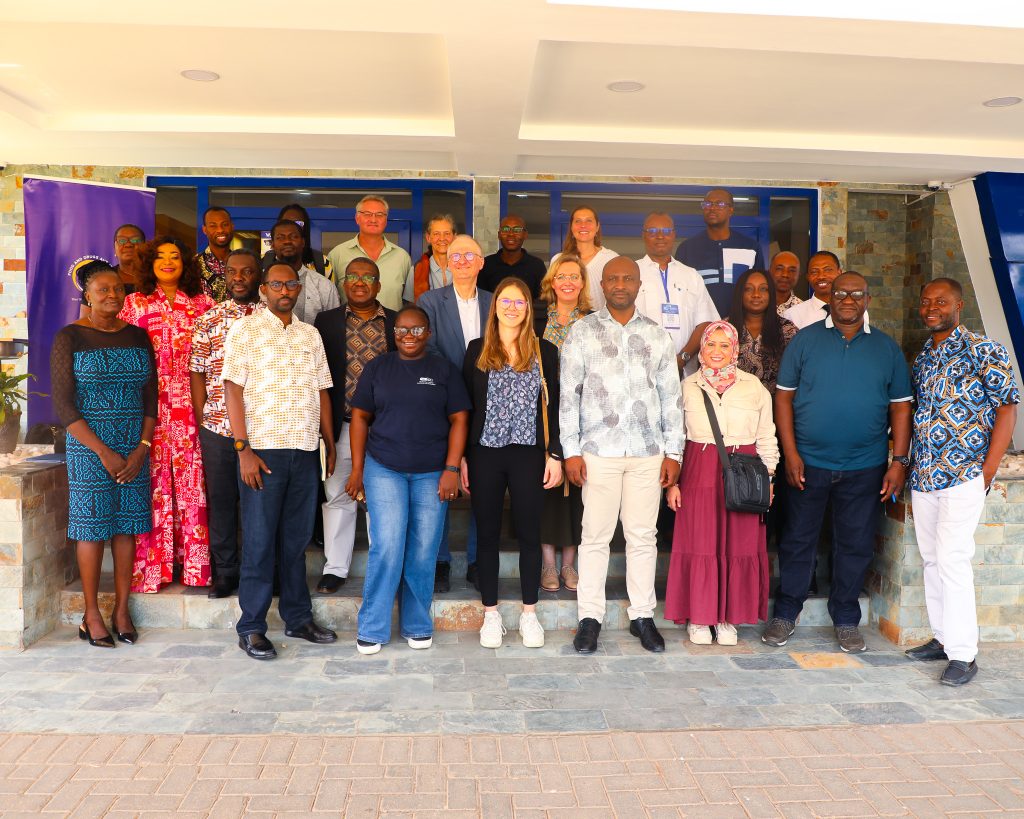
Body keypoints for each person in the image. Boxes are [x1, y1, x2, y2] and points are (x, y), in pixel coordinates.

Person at [765, 271, 912, 653]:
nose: (848, 300)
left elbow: (900, 406)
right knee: (798, 540)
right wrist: (790, 453)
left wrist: (898, 461)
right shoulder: (805, 341)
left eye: (856, 294)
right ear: (829, 298)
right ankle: (786, 612)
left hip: (865, 465)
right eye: (841, 293)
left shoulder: (885, 348)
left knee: (855, 543)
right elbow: (783, 398)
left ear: (867, 299)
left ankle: (846, 618)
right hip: (808, 462)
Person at [560, 256, 683, 655]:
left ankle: (642, 616)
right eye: (612, 278)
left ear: (638, 284)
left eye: (627, 278)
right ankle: (589, 618)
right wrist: (571, 451)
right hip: (598, 452)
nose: (619, 284)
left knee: (643, 536)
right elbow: (569, 396)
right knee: (594, 536)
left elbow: (671, 397)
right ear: (602, 284)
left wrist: (674, 452)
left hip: (648, 453)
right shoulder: (581, 332)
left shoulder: (657, 335)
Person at [906, 278, 1019, 686]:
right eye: (926, 301)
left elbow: (1007, 408)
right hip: (924, 474)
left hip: (962, 474)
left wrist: (987, 471)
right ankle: (943, 637)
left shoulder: (984, 350)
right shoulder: (924, 356)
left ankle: (963, 654)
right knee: (932, 558)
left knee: (953, 559)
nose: (931, 308)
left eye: (941, 301)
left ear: (959, 305)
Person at [223, 262, 338, 660]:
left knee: (295, 542)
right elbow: (232, 390)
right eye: (277, 284)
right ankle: (251, 627)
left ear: (298, 288)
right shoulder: (245, 330)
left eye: (291, 284)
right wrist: (243, 450)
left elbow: (322, 389)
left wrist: (329, 441)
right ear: (263, 289)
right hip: (262, 452)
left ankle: (298, 618)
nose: (285, 290)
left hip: (304, 450)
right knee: (259, 542)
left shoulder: (310, 334)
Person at [347, 305, 471, 654]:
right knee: (387, 544)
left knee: (423, 548)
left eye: (416, 330)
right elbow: (360, 417)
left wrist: (451, 469)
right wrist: (357, 469)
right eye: (402, 329)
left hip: (432, 472)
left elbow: (460, 419)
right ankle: (373, 626)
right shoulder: (379, 367)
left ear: (428, 333)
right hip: (384, 467)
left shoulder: (443, 370)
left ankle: (416, 623)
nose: (408, 336)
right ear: (394, 333)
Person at [51, 261, 157, 647]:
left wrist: (141, 448)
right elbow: (64, 405)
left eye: (118, 289)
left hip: (133, 447)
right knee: (92, 528)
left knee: (126, 528)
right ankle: (91, 614)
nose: (112, 295)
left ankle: (122, 610)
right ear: (87, 295)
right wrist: (103, 452)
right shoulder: (70, 337)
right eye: (103, 290)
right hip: (89, 446)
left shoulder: (138, 336)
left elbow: (151, 399)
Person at [463, 277, 563, 648]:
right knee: (487, 535)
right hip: (485, 453)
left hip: (529, 453)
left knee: (530, 534)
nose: (512, 307)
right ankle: (490, 615)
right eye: (505, 301)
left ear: (528, 309)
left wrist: (555, 454)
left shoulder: (545, 351)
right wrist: (463, 458)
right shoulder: (477, 349)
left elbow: (557, 406)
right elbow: (466, 408)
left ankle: (529, 614)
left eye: (519, 302)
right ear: (495, 307)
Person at [665, 321, 778, 645]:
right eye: (710, 344)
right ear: (701, 349)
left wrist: (769, 478)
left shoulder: (753, 387)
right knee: (700, 544)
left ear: (735, 349)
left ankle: (729, 618)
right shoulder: (687, 386)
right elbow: (675, 437)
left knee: (739, 545)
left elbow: (766, 435)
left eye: (724, 345)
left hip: (744, 471)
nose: (717, 351)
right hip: (698, 469)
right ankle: (700, 617)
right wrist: (673, 484)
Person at [120, 237, 214, 593]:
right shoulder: (134, 303)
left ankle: (194, 569)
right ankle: (153, 569)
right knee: (154, 484)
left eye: (175, 256)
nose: (168, 261)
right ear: (149, 263)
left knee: (193, 485)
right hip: (149, 406)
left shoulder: (203, 303)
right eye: (160, 257)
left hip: (193, 404)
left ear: (185, 263)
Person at [314, 258, 397, 594]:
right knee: (337, 495)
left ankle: (383, 567)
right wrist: (325, 433)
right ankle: (335, 568)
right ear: (344, 283)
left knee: (383, 498)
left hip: (386, 428)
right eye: (353, 276)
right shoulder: (326, 322)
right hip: (341, 425)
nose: (360, 282)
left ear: (379, 285)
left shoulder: (395, 321)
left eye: (368, 277)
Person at [419, 235, 492, 592]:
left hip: (489, 405)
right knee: (442, 481)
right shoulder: (430, 301)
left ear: (481, 262)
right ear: (447, 262)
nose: (462, 260)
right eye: (455, 255)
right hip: (443, 404)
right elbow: (428, 349)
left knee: (484, 482)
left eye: (469, 255)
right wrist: (459, 385)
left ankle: (478, 560)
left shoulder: (495, 301)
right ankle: (440, 561)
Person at [189, 248, 263, 599]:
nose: (238, 278)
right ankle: (226, 572)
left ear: (258, 275)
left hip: (262, 427)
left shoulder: (272, 318)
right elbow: (197, 371)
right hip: (217, 427)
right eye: (232, 271)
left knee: (258, 504)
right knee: (221, 501)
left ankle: (257, 571)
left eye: (246, 271)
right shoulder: (209, 319)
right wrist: (203, 417)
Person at [534, 253, 592, 592]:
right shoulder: (536, 317)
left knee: (578, 489)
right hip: (543, 413)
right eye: (561, 276)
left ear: (582, 282)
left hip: (585, 414)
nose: (568, 282)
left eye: (574, 276)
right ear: (551, 282)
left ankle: (569, 565)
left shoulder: (594, 320)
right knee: (546, 487)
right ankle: (548, 565)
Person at [635, 212, 719, 377]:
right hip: (641, 372)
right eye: (653, 231)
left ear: (674, 234)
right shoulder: (631, 273)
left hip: (685, 373)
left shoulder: (691, 275)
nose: (660, 236)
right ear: (643, 235)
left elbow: (705, 321)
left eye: (666, 231)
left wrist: (683, 358)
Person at [676, 189, 765, 317]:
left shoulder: (750, 247)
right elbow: (679, 293)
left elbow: (761, 290)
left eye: (719, 204)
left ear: (731, 210)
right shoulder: (687, 249)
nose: (712, 208)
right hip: (700, 324)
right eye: (708, 204)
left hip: (740, 325)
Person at [328, 195, 414, 311]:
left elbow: (409, 302)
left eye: (379, 215)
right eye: (367, 214)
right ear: (357, 218)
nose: (373, 220)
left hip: (392, 322)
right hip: (347, 322)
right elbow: (329, 298)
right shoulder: (337, 254)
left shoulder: (402, 257)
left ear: (386, 220)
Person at [728, 269, 798, 395]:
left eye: (763, 289)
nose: (756, 294)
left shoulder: (787, 329)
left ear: (771, 293)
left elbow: (797, 374)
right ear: (740, 293)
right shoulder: (724, 329)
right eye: (748, 289)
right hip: (733, 403)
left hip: (775, 404)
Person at [266, 219, 339, 324]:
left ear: (303, 242)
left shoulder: (324, 286)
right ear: (272, 244)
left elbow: (333, 325)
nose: (287, 241)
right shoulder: (263, 284)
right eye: (280, 238)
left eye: (293, 237)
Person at [551, 206, 618, 311]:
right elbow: (552, 296)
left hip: (601, 320)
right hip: (567, 320)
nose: (583, 225)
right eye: (578, 221)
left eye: (589, 221)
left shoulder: (612, 259)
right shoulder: (558, 259)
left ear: (597, 226)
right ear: (571, 227)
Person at [480, 215, 547, 299]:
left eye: (517, 230)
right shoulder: (486, 265)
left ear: (525, 235)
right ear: (499, 235)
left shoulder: (537, 265)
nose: (511, 234)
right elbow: (480, 298)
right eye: (505, 229)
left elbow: (542, 299)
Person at [261, 203, 332, 280]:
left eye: (298, 223)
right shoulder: (264, 262)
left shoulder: (321, 262)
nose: (291, 227)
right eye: (286, 222)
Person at [782, 251, 842, 330]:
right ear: (807, 277)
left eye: (827, 270)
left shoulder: (853, 309)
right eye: (814, 272)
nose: (821, 276)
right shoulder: (792, 315)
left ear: (839, 273)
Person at [406, 214, 456, 302]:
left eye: (447, 233)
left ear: (454, 237)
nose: (442, 238)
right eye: (436, 234)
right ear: (428, 238)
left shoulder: (465, 267)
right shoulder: (416, 270)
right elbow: (410, 305)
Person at [196, 206, 235, 302]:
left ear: (232, 226)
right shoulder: (194, 265)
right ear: (204, 229)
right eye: (213, 226)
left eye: (225, 224)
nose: (220, 230)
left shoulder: (242, 263)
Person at [771, 251, 803, 315]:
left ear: (799, 275)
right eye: (779, 269)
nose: (785, 275)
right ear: (769, 271)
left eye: (792, 270)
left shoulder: (803, 310)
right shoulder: (756, 302)